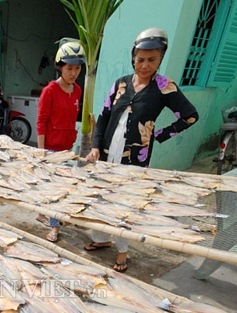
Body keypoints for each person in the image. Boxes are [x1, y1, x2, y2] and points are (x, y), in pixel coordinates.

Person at [85, 28, 198, 272]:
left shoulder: (164, 87)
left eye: (151, 60)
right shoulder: (121, 84)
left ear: (160, 58)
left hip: (135, 160)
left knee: (125, 204)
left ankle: (123, 251)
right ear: (133, 58)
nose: (144, 65)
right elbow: (104, 117)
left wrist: (157, 135)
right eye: (140, 59)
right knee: (100, 197)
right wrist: (95, 147)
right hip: (106, 154)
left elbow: (190, 116)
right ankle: (101, 238)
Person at [35, 41, 85, 242]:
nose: (73, 73)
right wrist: (41, 152)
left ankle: (42, 212)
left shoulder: (77, 90)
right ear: (60, 67)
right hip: (50, 149)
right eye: (69, 68)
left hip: (67, 147)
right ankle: (54, 228)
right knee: (55, 189)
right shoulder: (50, 91)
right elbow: (41, 122)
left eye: (77, 68)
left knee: (56, 187)